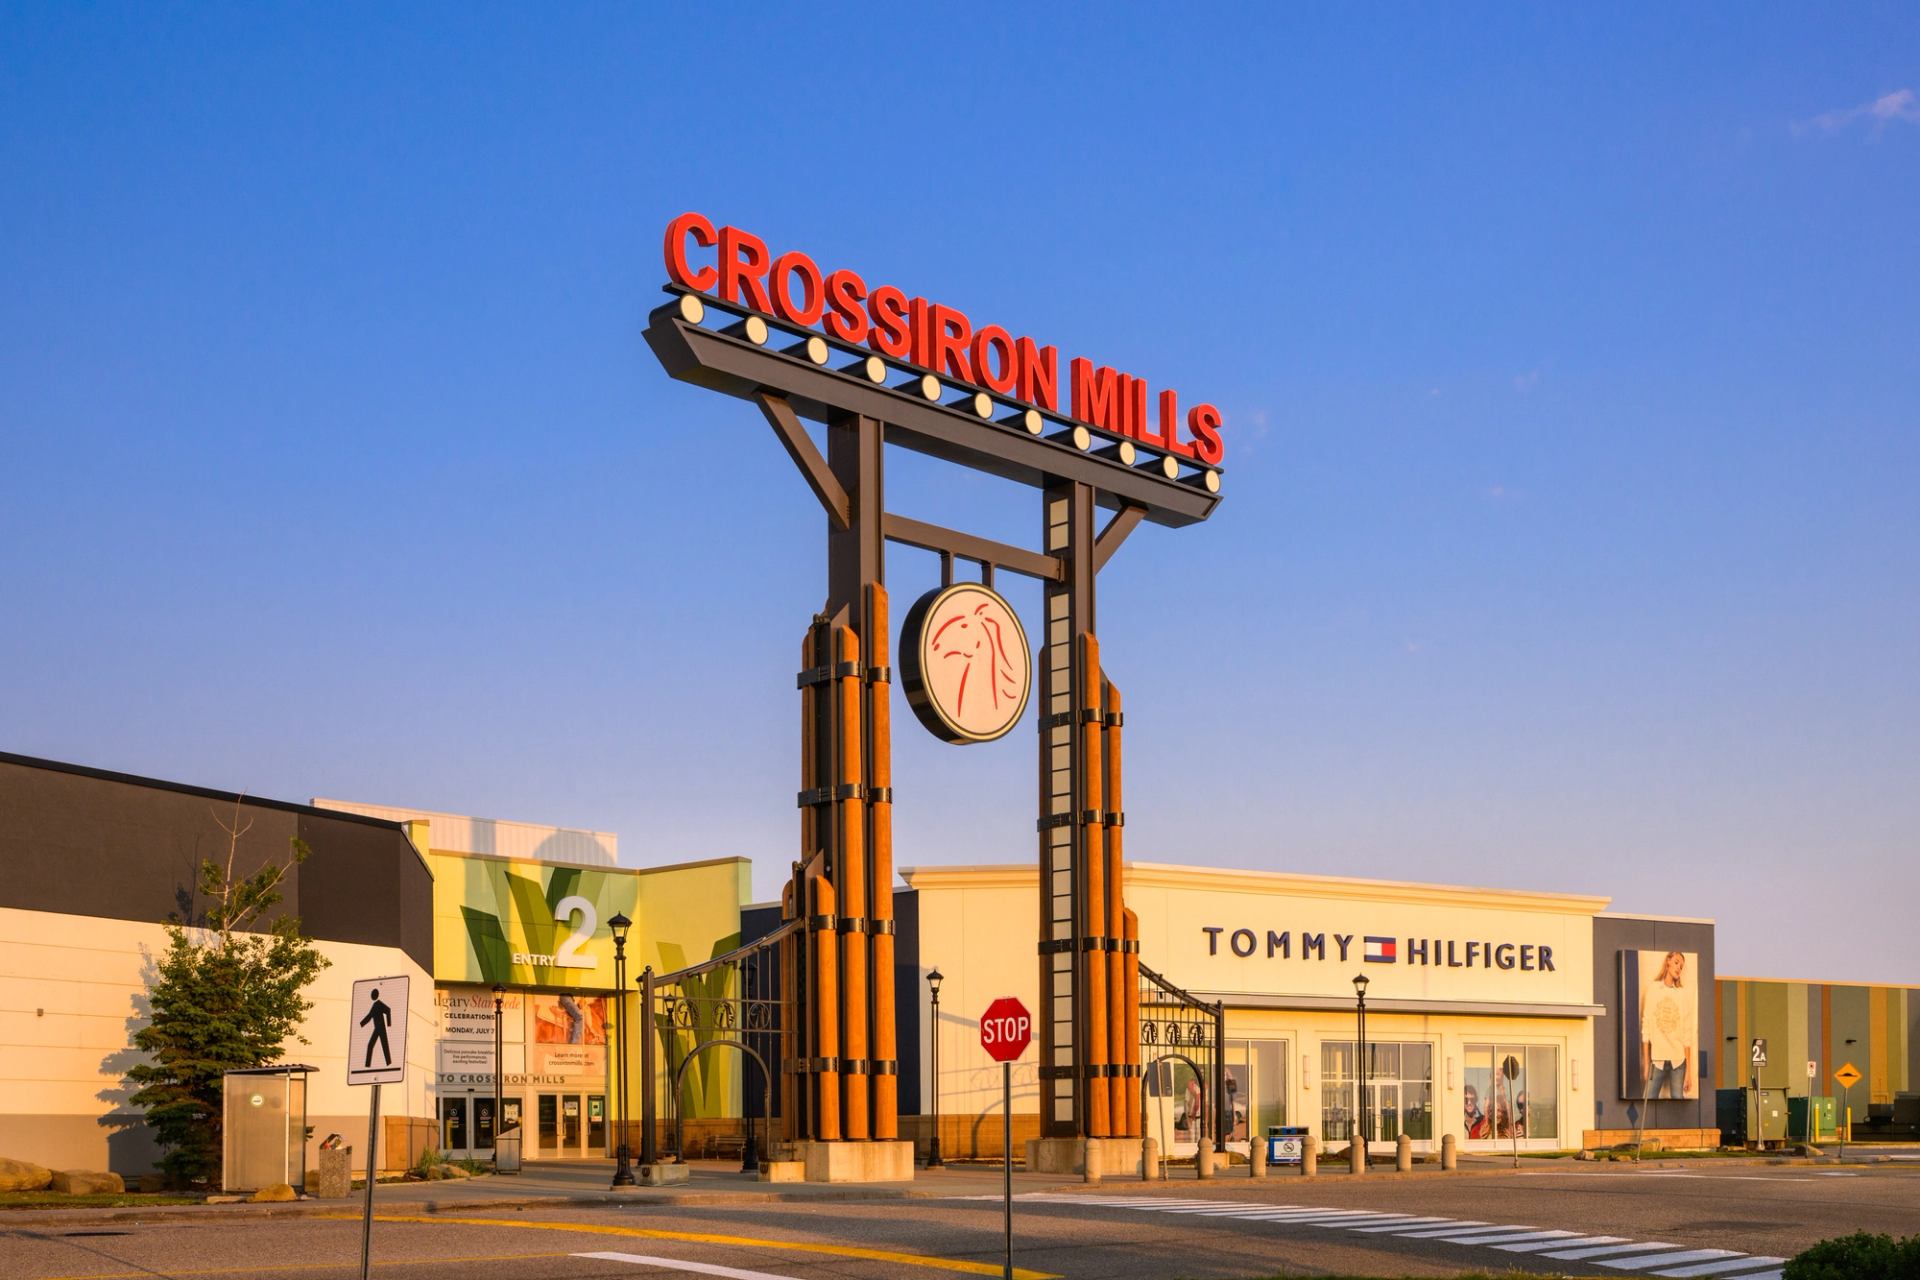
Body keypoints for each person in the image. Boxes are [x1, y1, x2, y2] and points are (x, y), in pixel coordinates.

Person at [1639, 950, 1696, 1100]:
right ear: (1668, 962)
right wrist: (1646, 1064)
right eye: (1677, 963)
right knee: (1648, 1099)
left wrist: (1689, 1073)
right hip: (1657, 1060)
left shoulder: (1682, 994)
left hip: (1678, 1061)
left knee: (1678, 1100)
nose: (1679, 968)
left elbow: (1687, 1035)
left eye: (1682, 966)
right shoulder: (1654, 989)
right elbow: (1646, 1029)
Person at [360, 988, 393, 1068]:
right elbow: (370, 1016)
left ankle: (388, 1064)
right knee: (371, 1045)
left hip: (381, 1028)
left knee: (383, 1046)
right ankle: (368, 1065)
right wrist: (361, 1024)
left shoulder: (378, 1004)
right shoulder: (375, 1005)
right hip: (377, 1028)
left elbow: (388, 1010)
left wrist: (389, 1024)